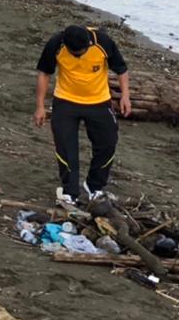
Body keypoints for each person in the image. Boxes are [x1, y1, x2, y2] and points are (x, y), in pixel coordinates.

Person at [34, 25, 131, 208]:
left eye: (81, 52)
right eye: (74, 53)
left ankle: (95, 186)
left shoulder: (103, 42)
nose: (78, 55)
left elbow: (121, 70)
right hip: (65, 101)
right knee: (65, 146)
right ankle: (70, 192)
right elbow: (44, 73)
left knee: (108, 143)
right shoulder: (56, 43)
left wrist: (125, 96)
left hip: (99, 101)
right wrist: (40, 106)